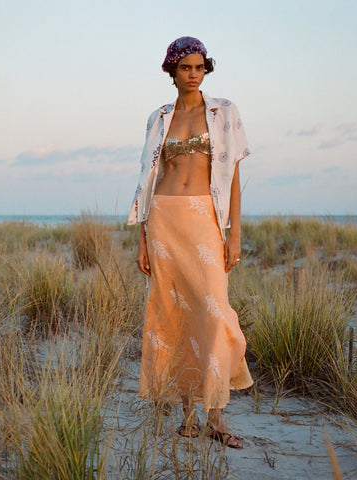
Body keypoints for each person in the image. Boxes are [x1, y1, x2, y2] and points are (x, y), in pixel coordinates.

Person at [128, 36, 253, 448]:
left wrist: (233, 233)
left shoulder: (224, 112)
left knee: (214, 311)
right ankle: (187, 416)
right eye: (186, 68)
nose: (194, 74)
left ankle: (217, 417)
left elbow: (232, 177)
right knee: (173, 314)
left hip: (204, 220)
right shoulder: (158, 117)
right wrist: (142, 239)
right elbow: (148, 179)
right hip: (164, 220)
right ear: (172, 71)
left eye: (200, 67)